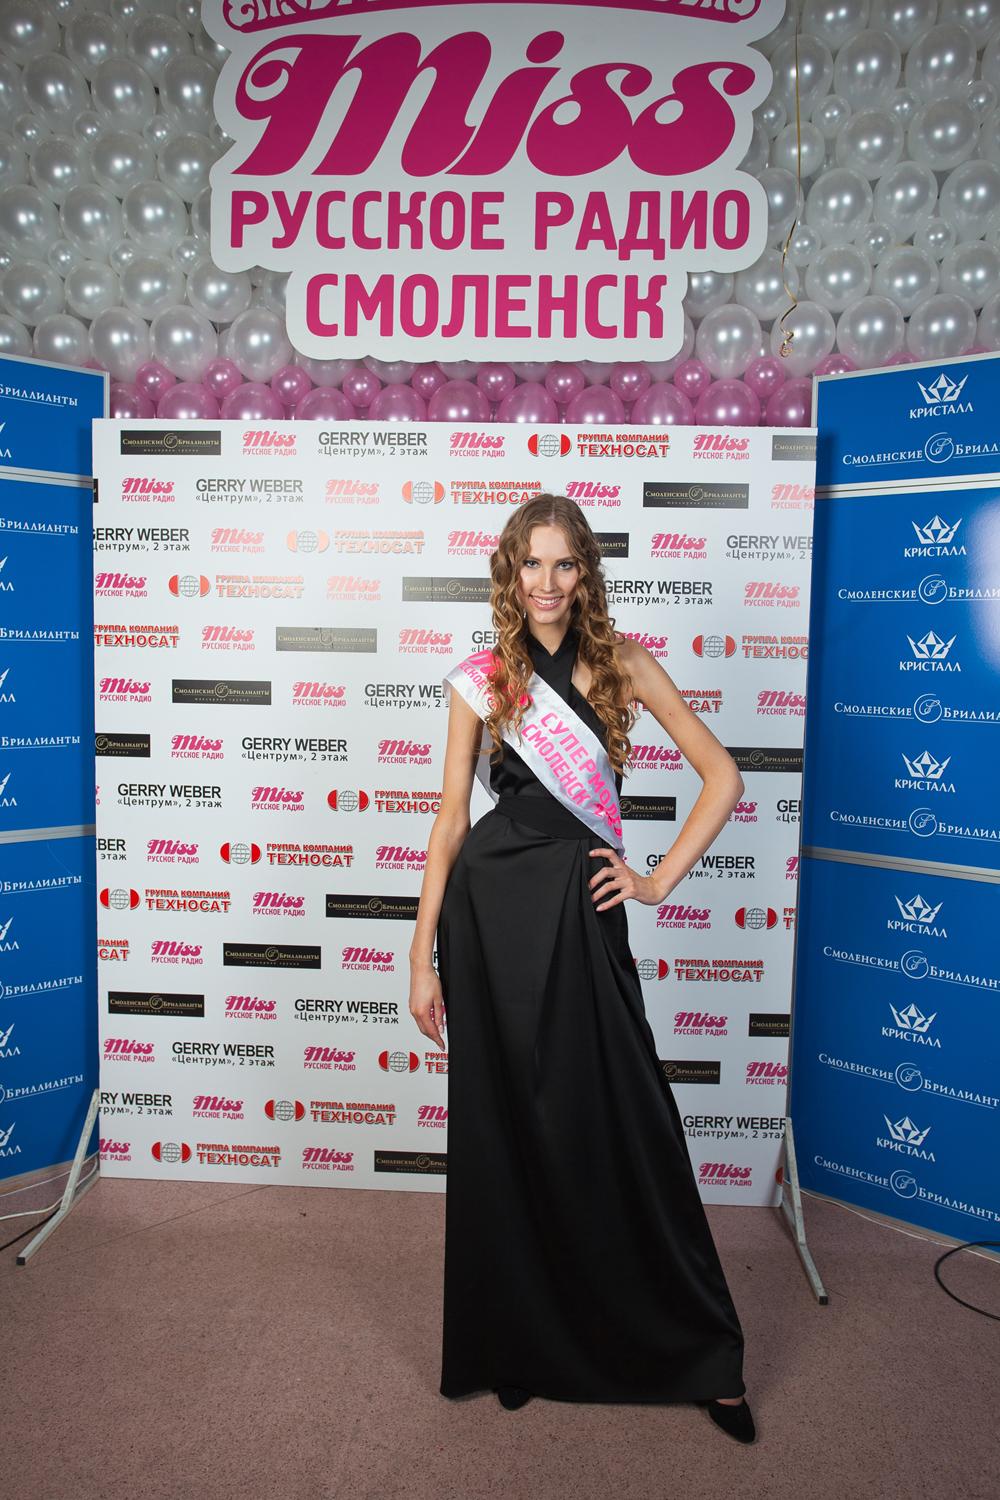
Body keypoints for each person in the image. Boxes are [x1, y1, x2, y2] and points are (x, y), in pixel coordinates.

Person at [407, 494, 755, 1445]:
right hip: (488, 916)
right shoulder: (483, 678)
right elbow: (450, 819)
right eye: (532, 564)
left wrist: (654, 881)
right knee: (509, 1125)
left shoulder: (623, 662)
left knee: (627, 1115)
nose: (548, 583)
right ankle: (521, 1343)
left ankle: (701, 1355)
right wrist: (420, 952)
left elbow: (723, 776)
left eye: (565, 564)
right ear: (509, 572)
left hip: (582, 909)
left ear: (586, 572)